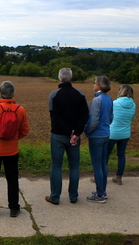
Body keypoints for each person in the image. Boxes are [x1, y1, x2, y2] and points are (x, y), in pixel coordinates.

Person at [0, 81, 30, 218]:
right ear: (13, 94)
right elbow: (25, 131)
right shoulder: (20, 110)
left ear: (0, 93)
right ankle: (14, 208)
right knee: (13, 179)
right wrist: (13, 138)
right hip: (12, 150)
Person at [45, 68, 89, 205]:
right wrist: (76, 133)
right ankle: (73, 196)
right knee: (74, 167)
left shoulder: (53, 95)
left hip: (58, 135)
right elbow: (84, 116)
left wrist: (67, 132)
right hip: (75, 137)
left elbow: (55, 117)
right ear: (71, 79)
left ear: (59, 78)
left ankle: (55, 196)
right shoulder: (80, 95)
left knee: (56, 166)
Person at [85, 76, 113, 203]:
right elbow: (111, 118)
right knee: (103, 164)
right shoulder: (109, 99)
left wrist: (87, 131)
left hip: (96, 136)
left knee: (97, 165)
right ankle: (103, 190)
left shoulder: (97, 100)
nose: (93, 85)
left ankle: (100, 194)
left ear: (100, 85)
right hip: (106, 134)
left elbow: (93, 120)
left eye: (95, 83)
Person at [106, 84, 136, 185]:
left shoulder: (114, 103)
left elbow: (109, 117)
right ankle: (119, 177)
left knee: (105, 156)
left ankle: (100, 176)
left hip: (112, 133)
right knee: (121, 155)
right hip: (125, 133)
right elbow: (131, 119)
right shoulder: (133, 105)